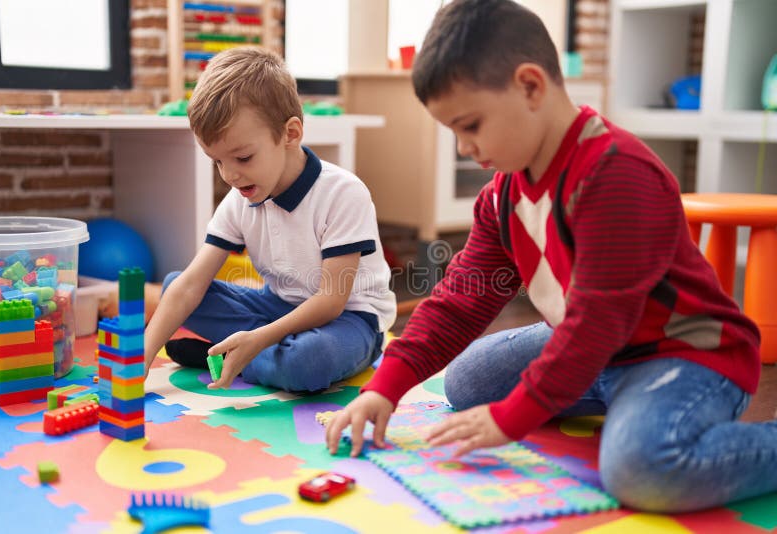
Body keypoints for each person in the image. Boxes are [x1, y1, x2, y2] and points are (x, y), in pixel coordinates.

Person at [326, 0, 777, 513]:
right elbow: (459, 302)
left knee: (642, 470)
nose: (463, 147)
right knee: (467, 382)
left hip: (681, 352)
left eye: (470, 125)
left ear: (530, 86)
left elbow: (598, 323)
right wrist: (384, 389)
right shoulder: (502, 196)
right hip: (590, 344)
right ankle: (614, 400)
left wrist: (512, 418)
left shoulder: (617, 173)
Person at [144, 47, 396, 393]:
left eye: (243, 157)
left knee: (308, 362)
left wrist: (259, 337)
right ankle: (250, 353)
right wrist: (138, 359)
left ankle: (225, 356)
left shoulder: (343, 193)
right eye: (217, 161)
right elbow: (189, 286)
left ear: (291, 134)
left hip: (349, 320)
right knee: (175, 285)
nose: (230, 175)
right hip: (277, 307)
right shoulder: (240, 198)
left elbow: (330, 301)